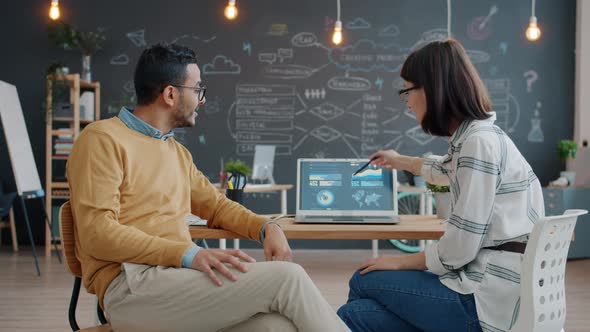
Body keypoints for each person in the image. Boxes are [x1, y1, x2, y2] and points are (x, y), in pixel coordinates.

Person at [67, 43, 349, 332]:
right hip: (131, 286)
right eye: (197, 90)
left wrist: (267, 228)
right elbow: (97, 234)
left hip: (175, 281)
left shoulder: (176, 152)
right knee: (288, 278)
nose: (201, 100)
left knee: (276, 327)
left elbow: (217, 206)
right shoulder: (101, 139)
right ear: (170, 94)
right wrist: (189, 254)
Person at [337, 39, 544, 332]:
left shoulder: (477, 144)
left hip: (483, 301)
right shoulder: (483, 137)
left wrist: (402, 262)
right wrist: (399, 161)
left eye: (408, 90)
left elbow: (460, 246)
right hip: (499, 289)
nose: (407, 101)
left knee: (363, 279)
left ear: (433, 89)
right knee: (355, 314)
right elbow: (443, 170)